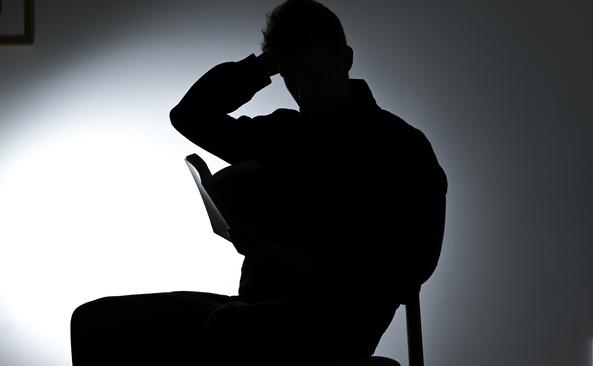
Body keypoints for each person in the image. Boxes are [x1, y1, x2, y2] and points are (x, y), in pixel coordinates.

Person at [69, 1, 447, 365]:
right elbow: (190, 115)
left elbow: (415, 262)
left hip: (337, 318)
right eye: (291, 79)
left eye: (314, 75)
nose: (303, 93)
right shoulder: (284, 133)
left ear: (344, 60)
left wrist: (313, 262)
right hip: (253, 306)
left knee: (227, 330)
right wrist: (263, 65)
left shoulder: (401, 146)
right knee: (96, 321)